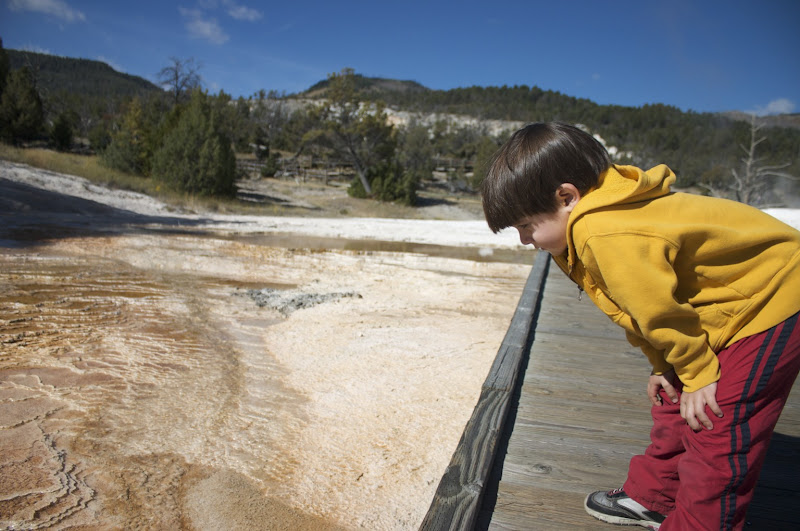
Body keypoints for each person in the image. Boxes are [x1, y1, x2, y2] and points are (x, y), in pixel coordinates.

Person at [481, 122, 800, 530]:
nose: (524, 239)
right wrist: (664, 363)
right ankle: (656, 496)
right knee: (674, 393)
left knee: (717, 421)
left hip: (772, 297)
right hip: (724, 305)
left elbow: (659, 313)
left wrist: (699, 372)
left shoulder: (604, 231)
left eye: (526, 225)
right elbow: (634, 308)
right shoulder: (580, 227)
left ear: (566, 197)